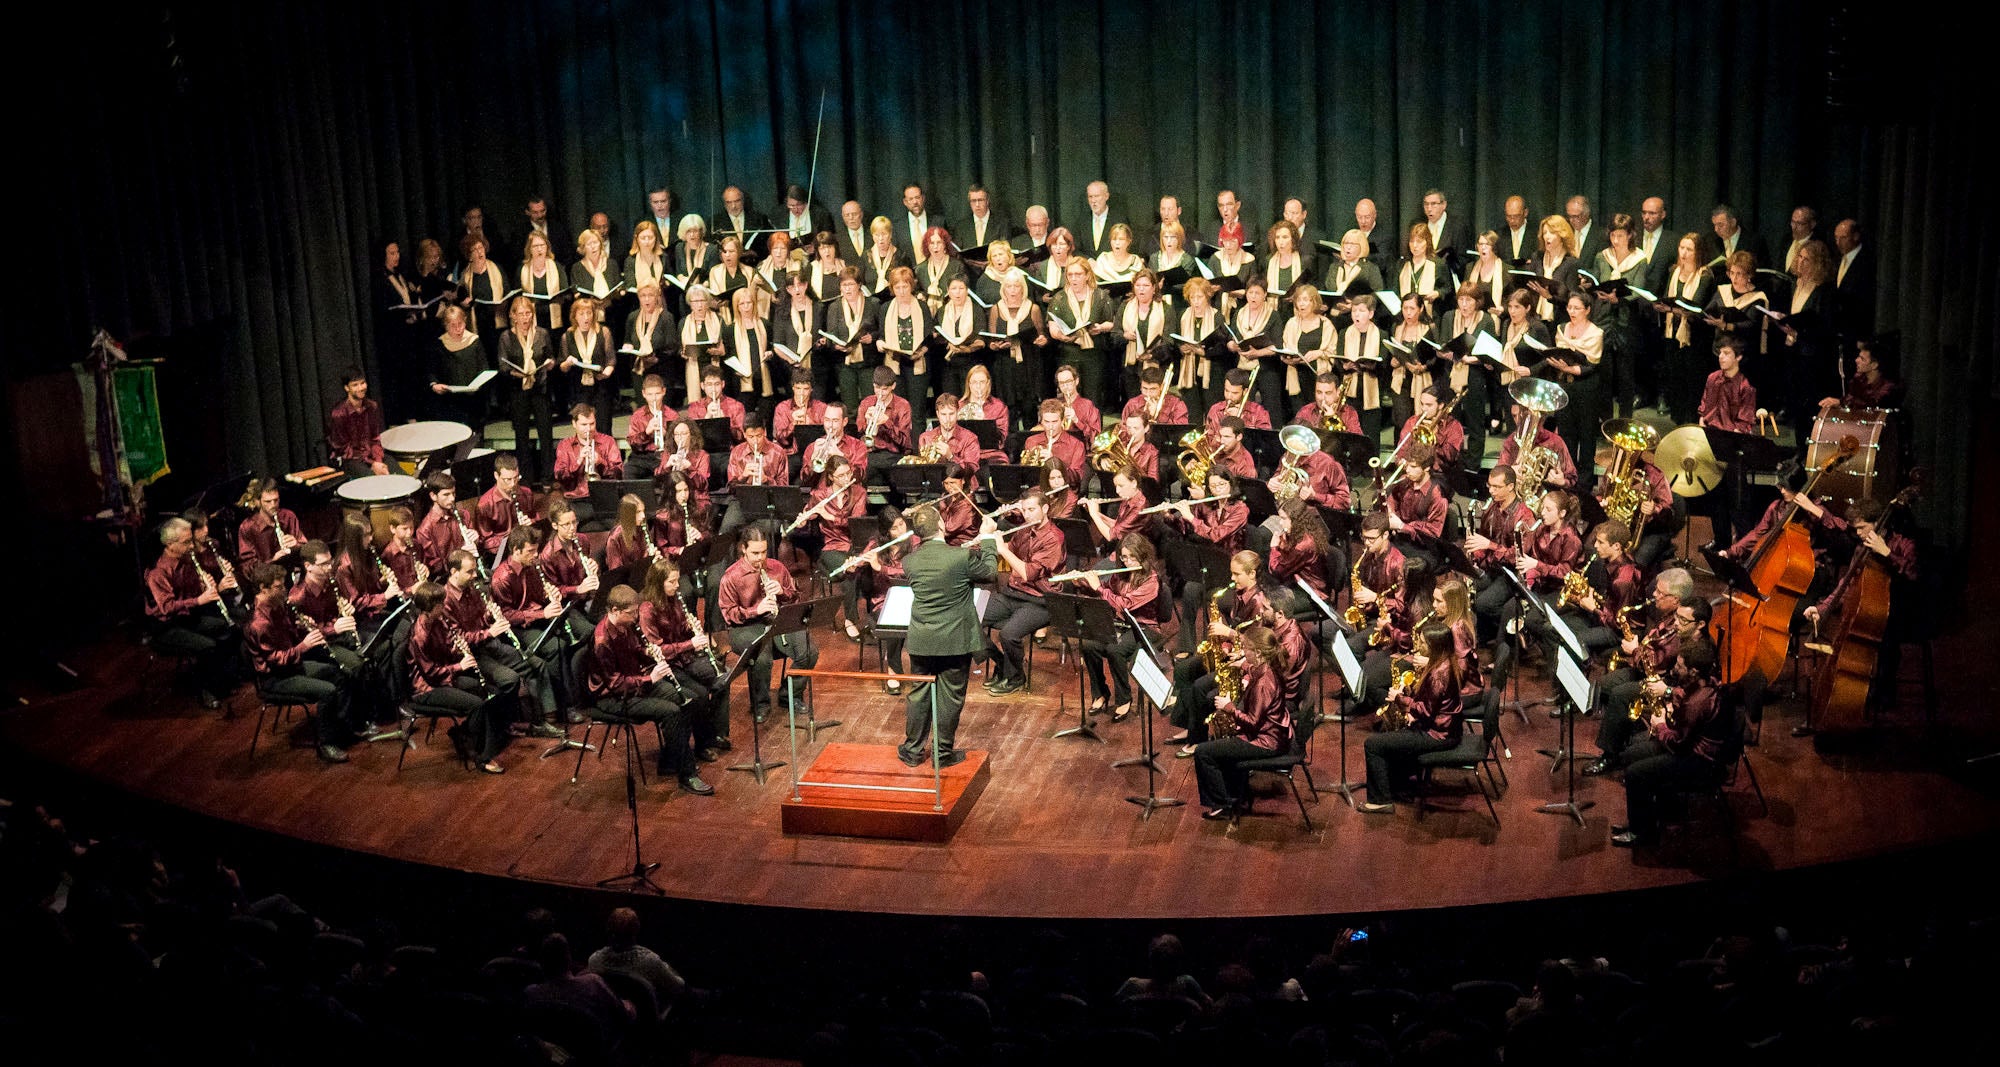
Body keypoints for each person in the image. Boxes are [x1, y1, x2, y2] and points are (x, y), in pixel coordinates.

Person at [897, 503, 1001, 765]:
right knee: (950, 697)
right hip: (955, 640)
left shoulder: (909, 561)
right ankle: (942, 753)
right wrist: (988, 539)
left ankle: (913, 750)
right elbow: (989, 573)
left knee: (919, 694)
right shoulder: (960, 557)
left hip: (922, 639)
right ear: (942, 525)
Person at [1612, 643, 1731, 848]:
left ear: (1693, 671)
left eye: (1680, 666)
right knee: (1633, 754)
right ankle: (1659, 812)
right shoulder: (1706, 682)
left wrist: (1660, 725)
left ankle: (1642, 833)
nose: (1675, 668)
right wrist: (1672, 698)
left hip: (1700, 762)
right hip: (1693, 747)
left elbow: (1678, 744)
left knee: (1635, 773)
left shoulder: (1697, 703)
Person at [588, 585, 707, 791]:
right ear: (615, 610)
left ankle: (670, 759)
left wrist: (649, 653)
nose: (636, 617)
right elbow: (615, 684)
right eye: (631, 612)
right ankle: (687, 774)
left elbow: (635, 649)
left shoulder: (625, 625)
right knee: (671, 712)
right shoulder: (602, 641)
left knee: (690, 699)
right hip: (614, 698)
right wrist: (650, 678)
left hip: (637, 683)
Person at [242, 562, 358, 763]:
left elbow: (289, 637)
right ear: (263, 588)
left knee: (339, 674)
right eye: (278, 587)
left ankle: (344, 728)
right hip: (275, 679)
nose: (284, 590)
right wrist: (304, 646)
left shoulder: (278, 607)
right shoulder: (259, 623)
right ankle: (326, 744)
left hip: (291, 667)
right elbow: (276, 660)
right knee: (328, 691)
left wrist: (301, 628)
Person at [405, 580, 514, 774]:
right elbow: (430, 673)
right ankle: (482, 757)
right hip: (427, 688)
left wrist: (458, 650)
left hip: (443, 677)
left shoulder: (438, 621)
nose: (443, 607)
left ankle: (462, 733)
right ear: (430, 608)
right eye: (440, 604)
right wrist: (459, 666)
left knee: (487, 691)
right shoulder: (419, 635)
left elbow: (448, 645)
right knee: (476, 705)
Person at [1358, 621, 1465, 813]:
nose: (1418, 645)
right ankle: (1399, 787)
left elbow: (1426, 712)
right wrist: (1408, 693)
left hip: (1438, 734)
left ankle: (1380, 800)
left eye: (1423, 642)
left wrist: (1399, 698)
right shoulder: (1444, 663)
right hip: (1445, 729)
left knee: (1373, 744)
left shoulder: (1438, 674)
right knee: (1392, 736)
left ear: (1434, 646)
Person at [717, 526, 819, 722]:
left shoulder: (777, 567)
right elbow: (729, 615)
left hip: (776, 619)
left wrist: (782, 592)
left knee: (809, 652)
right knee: (761, 659)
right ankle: (761, 703)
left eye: (763, 552)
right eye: (755, 553)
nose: (760, 558)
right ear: (743, 549)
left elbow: (796, 597)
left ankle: (790, 694)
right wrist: (756, 610)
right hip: (745, 626)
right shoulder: (731, 576)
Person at [1193, 625, 1292, 819]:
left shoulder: (1263, 684)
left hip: (1266, 742)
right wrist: (1243, 665)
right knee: (1220, 744)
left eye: (1246, 648)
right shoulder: (1267, 668)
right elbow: (1255, 671)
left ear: (1258, 652)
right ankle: (1235, 793)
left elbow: (1253, 722)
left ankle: (1222, 805)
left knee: (1203, 752)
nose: (1243, 651)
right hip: (1274, 734)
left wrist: (1229, 708)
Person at [637, 558, 727, 762]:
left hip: (684, 659)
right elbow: (657, 651)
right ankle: (703, 745)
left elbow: (680, 630)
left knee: (723, 678)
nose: (677, 585)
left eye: (677, 580)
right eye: (672, 581)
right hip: (664, 667)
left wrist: (691, 628)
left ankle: (717, 734)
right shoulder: (647, 610)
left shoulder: (675, 599)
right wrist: (690, 644)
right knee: (700, 695)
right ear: (658, 583)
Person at [146, 517, 239, 709]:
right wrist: (199, 600)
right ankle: (205, 690)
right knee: (206, 646)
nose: (191, 546)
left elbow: (195, 592)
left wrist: (209, 586)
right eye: (186, 542)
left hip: (187, 617)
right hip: (166, 627)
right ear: (170, 545)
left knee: (225, 628)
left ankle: (221, 678)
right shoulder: (158, 572)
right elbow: (167, 607)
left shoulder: (188, 561)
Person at [978, 489, 1063, 696]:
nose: (1026, 515)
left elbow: (1028, 573)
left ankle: (1016, 677)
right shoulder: (1024, 530)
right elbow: (1011, 548)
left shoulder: (1054, 538)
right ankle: (1002, 664)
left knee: (1008, 634)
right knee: (968, 618)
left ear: (1045, 508)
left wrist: (1001, 549)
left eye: (1031, 510)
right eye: (1024, 510)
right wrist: (987, 540)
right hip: (1013, 593)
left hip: (1040, 600)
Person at [586, 908, 686, 1023]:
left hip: (611, 1023)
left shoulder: (594, 961)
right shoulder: (650, 961)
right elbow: (678, 986)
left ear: (607, 930)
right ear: (636, 931)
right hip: (645, 1024)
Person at [499, 295, 557, 479]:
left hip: (540, 388)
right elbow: (503, 366)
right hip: (518, 391)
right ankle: (525, 478)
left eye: (528, 313)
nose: (525, 318)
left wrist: (550, 364)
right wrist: (516, 373)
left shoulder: (542, 334)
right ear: (513, 316)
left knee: (545, 434)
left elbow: (551, 356)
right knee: (521, 437)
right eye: (521, 314)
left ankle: (547, 477)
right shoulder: (506, 337)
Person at [552, 403, 623, 530]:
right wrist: (578, 461)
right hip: (577, 500)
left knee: (620, 527)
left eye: (592, 424)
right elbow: (560, 476)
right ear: (574, 424)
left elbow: (618, 473)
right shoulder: (565, 445)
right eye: (584, 425)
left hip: (603, 498)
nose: (589, 429)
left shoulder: (608, 441)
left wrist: (600, 462)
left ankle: (591, 523)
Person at [428, 304, 488, 427]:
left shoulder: (474, 341)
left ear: (465, 321)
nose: (458, 329)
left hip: (473, 399)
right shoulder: (440, 344)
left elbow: (483, 368)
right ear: (446, 326)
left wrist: (479, 383)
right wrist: (434, 384)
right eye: (453, 326)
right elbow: (432, 370)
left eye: (460, 324)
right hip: (450, 401)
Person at [327, 367, 390, 478]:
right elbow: (344, 450)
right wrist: (372, 463)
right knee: (373, 481)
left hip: (371, 455)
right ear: (347, 388)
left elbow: (375, 439)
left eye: (362, 383)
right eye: (355, 385)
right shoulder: (339, 414)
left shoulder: (372, 406)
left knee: (398, 473)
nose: (361, 388)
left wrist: (378, 460)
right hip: (349, 459)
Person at [235, 476, 305, 572]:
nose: (273, 505)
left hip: (293, 572)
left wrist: (296, 545)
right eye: (268, 501)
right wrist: (273, 561)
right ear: (258, 502)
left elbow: (307, 549)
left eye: (276, 500)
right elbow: (248, 567)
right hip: (268, 578)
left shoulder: (288, 516)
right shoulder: (247, 527)